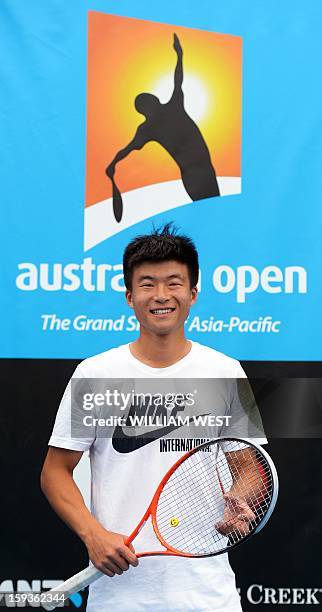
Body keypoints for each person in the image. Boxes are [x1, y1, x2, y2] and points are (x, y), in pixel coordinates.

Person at [41, 223, 265, 612]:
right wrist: (93, 534)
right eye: (147, 284)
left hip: (208, 596)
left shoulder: (224, 370)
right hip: (120, 597)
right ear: (129, 296)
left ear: (193, 293)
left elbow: (248, 465)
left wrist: (241, 499)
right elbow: (54, 472)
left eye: (174, 283)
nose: (161, 296)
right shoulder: (96, 374)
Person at [106, 34, 220, 222]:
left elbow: (178, 78)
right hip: (195, 175)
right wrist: (180, 54)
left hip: (201, 172)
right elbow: (125, 150)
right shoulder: (154, 123)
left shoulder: (155, 122)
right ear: (149, 105)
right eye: (149, 100)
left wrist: (112, 165)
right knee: (211, 215)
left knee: (212, 214)